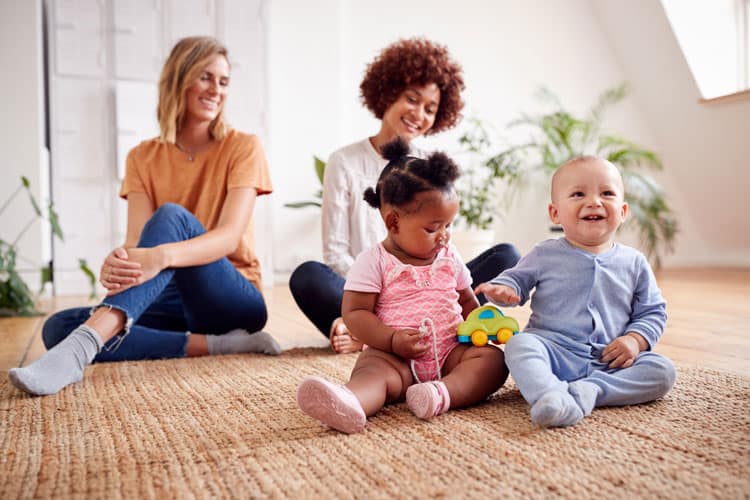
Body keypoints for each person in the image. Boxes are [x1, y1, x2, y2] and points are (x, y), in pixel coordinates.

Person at [9, 36, 281, 397]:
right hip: (170, 296)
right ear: (179, 79)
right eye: (205, 77)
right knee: (58, 327)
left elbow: (229, 237)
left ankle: (83, 348)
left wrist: (161, 255)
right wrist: (120, 261)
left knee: (173, 217)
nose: (216, 89)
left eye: (224, 81)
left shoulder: (243, 146)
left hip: (230, 296)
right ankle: (218, 345)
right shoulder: (142, 156)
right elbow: (138, 242)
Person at [289, 38, 520, 354]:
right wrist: (386, 280)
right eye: (412, 99)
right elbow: (335, 252)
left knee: (506, 257)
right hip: (368, 290)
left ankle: (368, 330)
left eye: (430, 109)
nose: (419, 114)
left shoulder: (431, 165)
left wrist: (425, 280)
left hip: (429, 287)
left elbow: (442, 241)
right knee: (308, 276)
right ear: (387, 93)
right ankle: (365, 327)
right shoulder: (344, 161)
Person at [296, 139, 508, 433]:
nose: (444, 236)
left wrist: (484, 326)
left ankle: (441, 394)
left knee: (493, 361)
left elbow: (467, 301)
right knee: (373, 373)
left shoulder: (450, 256)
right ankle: (350, 401)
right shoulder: (374, 261)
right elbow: (355, 314)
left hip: (450, 352)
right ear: (393, 222)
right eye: (433, 228)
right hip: (393, 358)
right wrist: (392, 340)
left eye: (448, 225)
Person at [475, 156, 676, 428]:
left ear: (623, 210)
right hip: (554, 352)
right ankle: (550, 395)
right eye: (579, 194)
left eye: (607, 193)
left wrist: (635, 340)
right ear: (555, 213)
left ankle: (590, 391)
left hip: (610, 359)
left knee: (663, 372)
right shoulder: (544, 253)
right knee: (519, 345)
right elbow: (515, 280)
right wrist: (504, 290)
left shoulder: (635, 262)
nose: (594, 201)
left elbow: (652, 311)